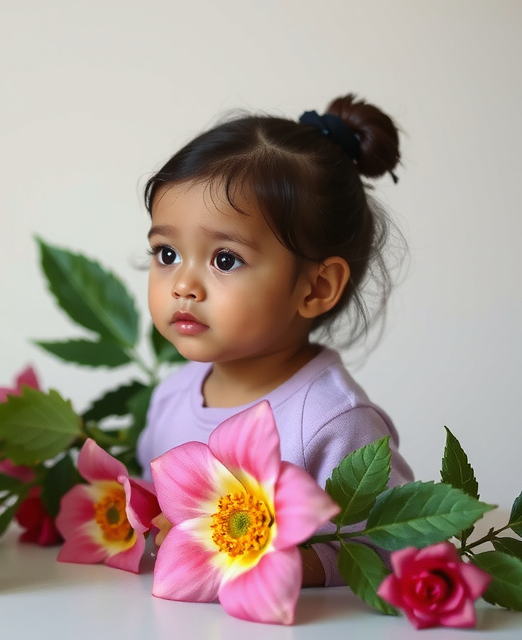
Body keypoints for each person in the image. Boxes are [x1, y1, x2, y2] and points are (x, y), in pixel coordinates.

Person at [136, 94, 415, 588]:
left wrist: (290, 566)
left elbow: (393, 543)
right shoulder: (172, 397)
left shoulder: (335, 422)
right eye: (167, 252)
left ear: (316, 287)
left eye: (225, 259)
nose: (182, 284)